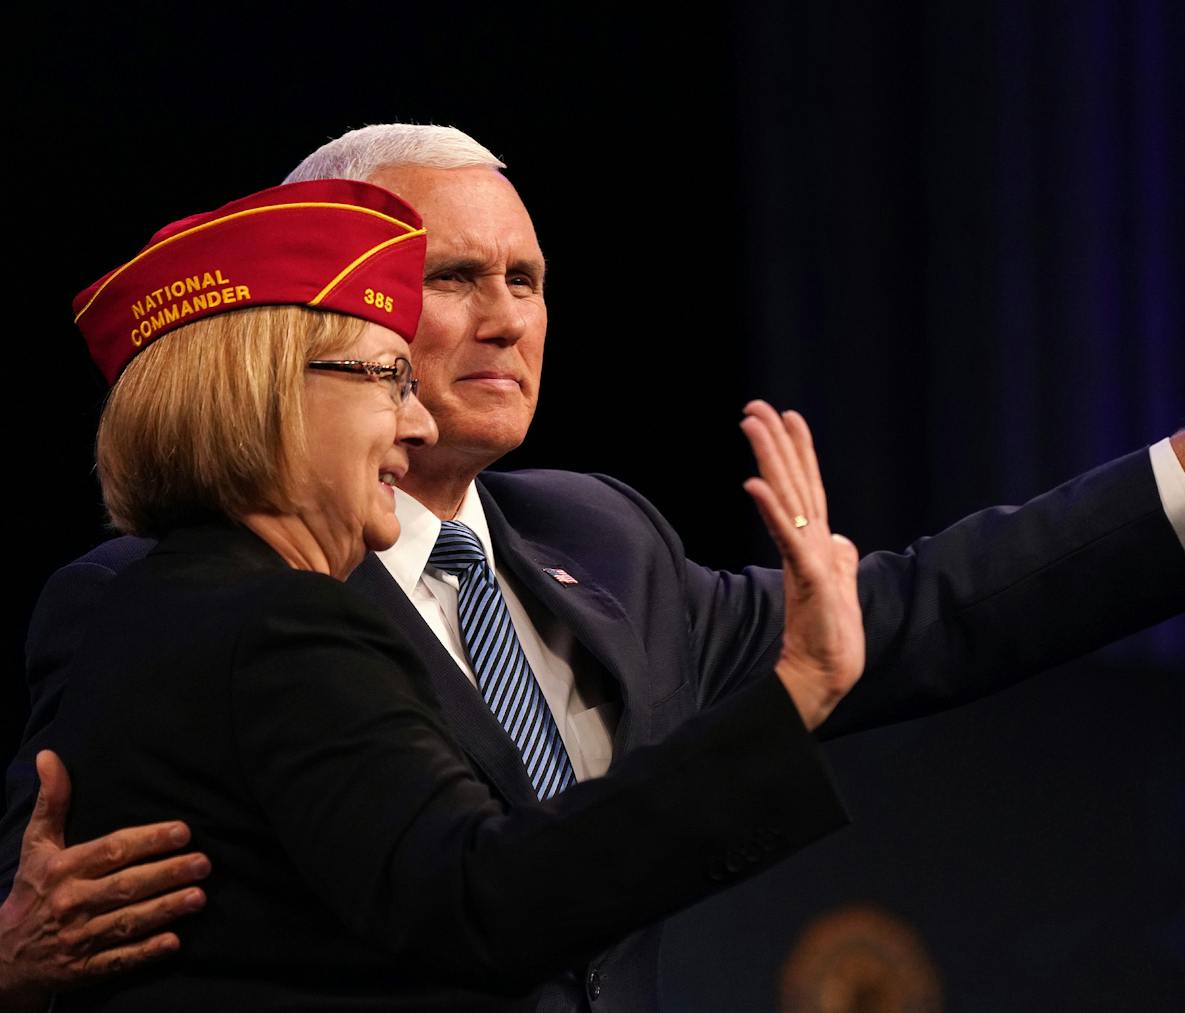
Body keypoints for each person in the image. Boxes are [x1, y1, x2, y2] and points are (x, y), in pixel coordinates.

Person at [0, 125, 1185, 1011]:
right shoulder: (175, 598)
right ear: (318, 313)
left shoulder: (600, 540)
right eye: (451, 280)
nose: (500, 321)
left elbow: (914, 612)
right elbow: (72, 891)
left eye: (527, 281)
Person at [0, 178, 867, 1010]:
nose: (415, 424)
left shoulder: (147, 614)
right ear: (272, 398)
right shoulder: (283, 626)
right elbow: (484, 899)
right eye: (389, 378)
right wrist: (798, 692)